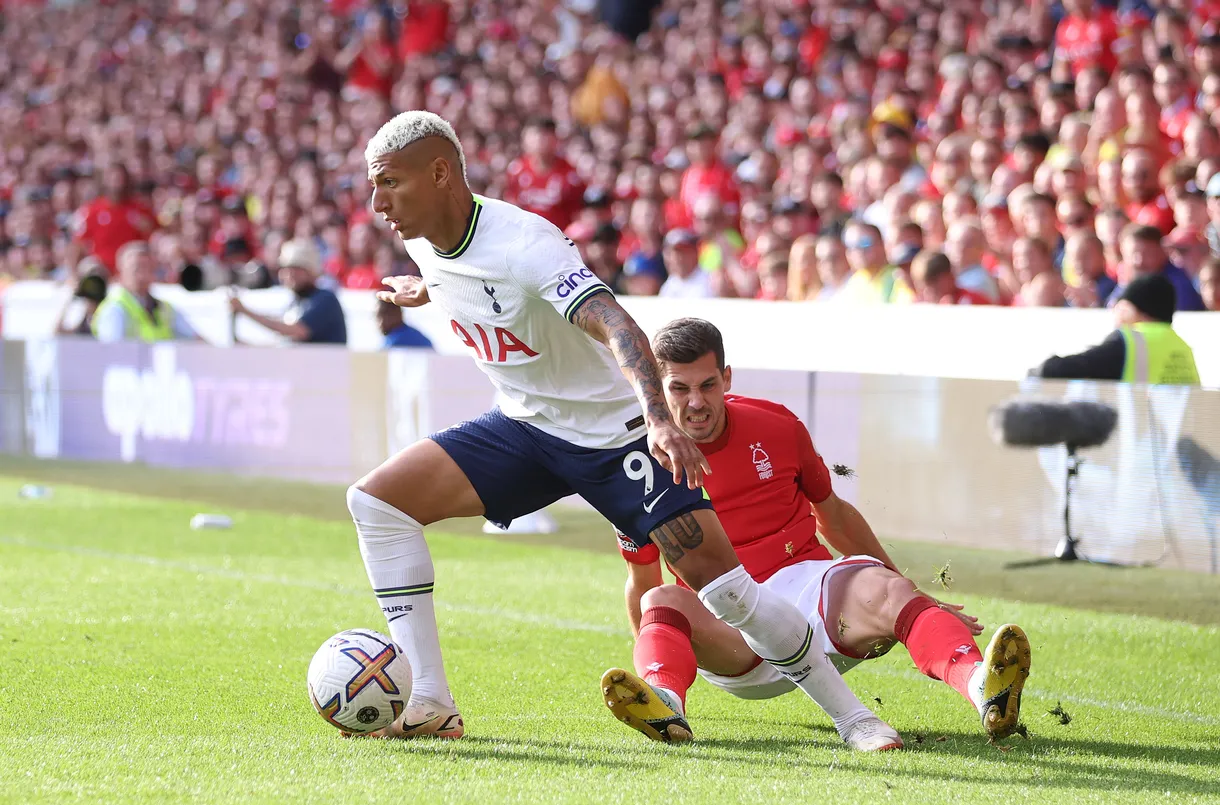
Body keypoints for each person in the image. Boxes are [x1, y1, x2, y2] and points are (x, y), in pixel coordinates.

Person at [354, 111, 899, 750]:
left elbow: (617, 324)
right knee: (377, 502)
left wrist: (659, 419)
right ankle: (430, 701)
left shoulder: (526, 244)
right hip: (527, 427)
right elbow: (470, 280)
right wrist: (427, 291)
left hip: (616, 437)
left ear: (441, 173)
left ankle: (856, 719)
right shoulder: (424, 242)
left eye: (389, 182)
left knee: (729, 593)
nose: (377, 203)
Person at [601, 318, 1031, 745]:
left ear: (726, 377)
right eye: (680, 388)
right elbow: (642, 580)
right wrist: (657, 653)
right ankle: (663, 703)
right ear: (656, 388)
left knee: (889, 588)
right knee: (660, 600)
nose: (697, 402)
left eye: (708, 385)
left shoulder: (776, 425)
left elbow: (834, 516)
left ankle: (982, 686)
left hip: (813, 602)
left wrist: (916, 595)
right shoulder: (638, 466)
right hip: (730, 635)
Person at [1034, 274, 1199, 383]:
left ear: (1131, 309)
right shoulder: (1182, 346)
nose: (1116, 313)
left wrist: (1043, 368)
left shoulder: (1131, 341)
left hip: (1142, 427)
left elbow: (1061, 369)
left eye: (1119, 306)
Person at [229, 240, 348, 345]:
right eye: (285, 269)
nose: (289, 275)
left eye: (295, 269)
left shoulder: (324, 299)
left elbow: (295, 331)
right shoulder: (297, 302)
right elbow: (285, 340)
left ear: (310, 271)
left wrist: (244, 311)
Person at [92, 242, 200, 343]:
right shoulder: (114, 308)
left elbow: (196, 340)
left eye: (147, 268)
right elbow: (111, 351)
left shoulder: (165, 308)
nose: (142, 275)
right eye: (136, 269)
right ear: (120, 272)